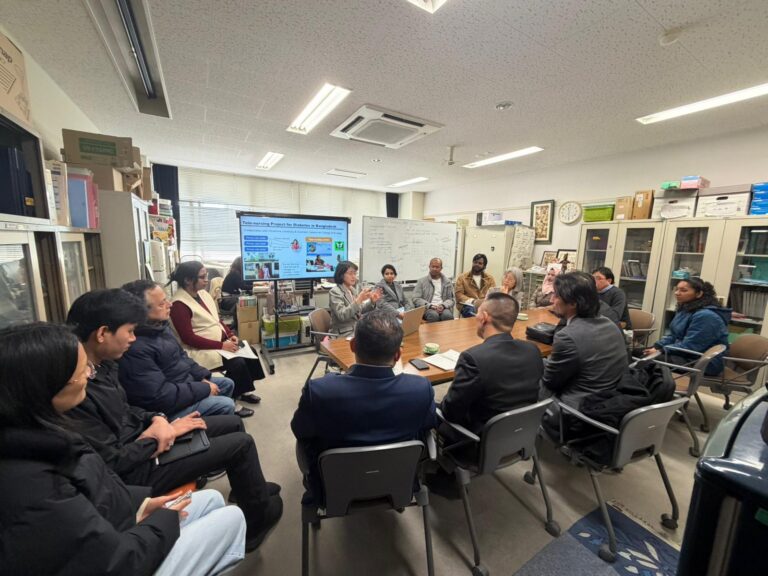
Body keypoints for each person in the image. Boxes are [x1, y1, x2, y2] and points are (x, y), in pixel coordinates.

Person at [0, 322, 247, 575]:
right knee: (233, 518)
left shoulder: (44, 432)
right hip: (122, 550)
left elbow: (94, 488)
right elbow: (116, 561)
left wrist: (140, 504)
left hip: (115, 518)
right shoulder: (32, 481)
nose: (88, 374)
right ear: (44, 385)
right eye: (81, 370)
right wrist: (162, 517)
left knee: (213, 499)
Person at [65, 290, 283, 551]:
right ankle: (256, 523)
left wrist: (157, 420)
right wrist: (160, 433)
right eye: (130, 331)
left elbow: (128, 409)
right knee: (241, 444)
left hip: (147, 438)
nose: (133, 338)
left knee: (232, 423)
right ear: (102, 334)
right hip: (139, 467)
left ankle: (248, 490)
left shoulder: (103, 365)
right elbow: (113, 461)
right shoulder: (77, 390)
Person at [291, 309, 436, 504]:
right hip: (399, 481)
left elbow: (301, 431)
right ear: (398, 354)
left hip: (333, 487)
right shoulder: (420, 389)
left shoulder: (319, 391)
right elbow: (427, 426)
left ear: (352, 345)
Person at [120, 279, 253, 419]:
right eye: (161, 304)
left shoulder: (160, 328)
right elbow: (161, 395)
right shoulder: (135, 347)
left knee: (227, 383)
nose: (169, 304)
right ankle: (218, 424)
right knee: (226, 402)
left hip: (183, 382)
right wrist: (203, 388)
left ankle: (225, 417)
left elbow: (182, 357)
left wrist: (202, 377)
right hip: (170, 403)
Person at [441, 292, 542, 434]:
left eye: (477, 312)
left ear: (484, 317)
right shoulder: (533, 351)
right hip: (522, 432)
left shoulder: (473, 358)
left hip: (480, 439)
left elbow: (451, 412)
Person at [168, 261, 263, 405]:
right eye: (202, 277)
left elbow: (216, 319)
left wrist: (230, 335)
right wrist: (221, 345)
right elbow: (188, 338)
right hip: (198, 349)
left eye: (206, 275)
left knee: (250, 351)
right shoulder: (179, 304)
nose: (207, 279)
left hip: (219, 343)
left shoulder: (203, 294)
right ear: (188, 280)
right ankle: (231, 399)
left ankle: (241, 391)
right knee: (237, 362)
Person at [539, 271, 628, 413]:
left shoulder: (568, 336)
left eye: (556, 295)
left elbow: (551, 381)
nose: (551, 300)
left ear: (573, 302)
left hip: (576, 412)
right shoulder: (609, 324)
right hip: (610, 401)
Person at [644, 277, 730, 375]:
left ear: (699, 294)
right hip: (686, 354)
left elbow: (692, 346)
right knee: (638, 353)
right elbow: (673, 336)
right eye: (677, 289)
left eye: (683, 290)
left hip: (703, 362)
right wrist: (657, 346)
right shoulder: (686, 309)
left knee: (645, 360)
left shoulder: (706, 316)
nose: (676, 293)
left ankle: (652, 387)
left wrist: (662, 350)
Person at [328, 260, 382, 336]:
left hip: (356, 329)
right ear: (341, 274)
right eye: (350, 273)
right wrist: (359, 299)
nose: (354, 276)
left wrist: (372, 301)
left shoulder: (352, 290)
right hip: (343, 333)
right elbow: (342, 315)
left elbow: (359, 310)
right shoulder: (335, 291)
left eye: (355, 273)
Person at [412, 257, 455, 322]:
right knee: (434, 316)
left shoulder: (447, 282)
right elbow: (416, 298)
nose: (434, 269)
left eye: (437, 267)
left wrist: (443, 305)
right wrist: (430, 306)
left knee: (448, 316)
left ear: (441, 268)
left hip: (443, 307)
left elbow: (451, 299)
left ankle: (446, 332)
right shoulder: (421, 281)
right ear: (429, 267)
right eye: (433, 266)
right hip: (427, 308)